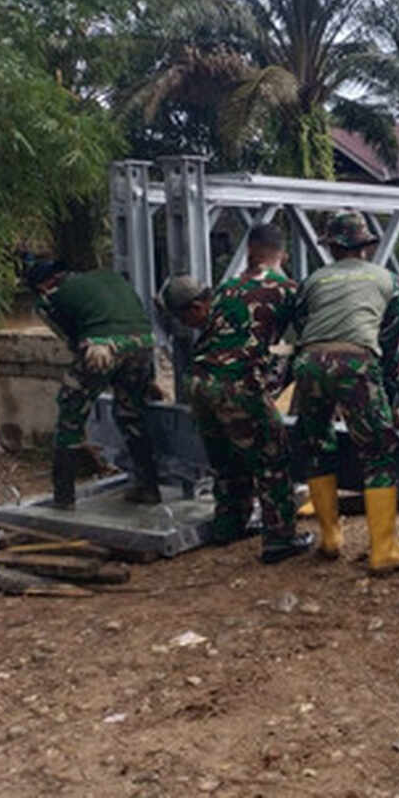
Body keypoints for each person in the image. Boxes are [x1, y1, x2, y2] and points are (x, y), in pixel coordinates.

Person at [159, 224, 314, 564]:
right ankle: (279, 539)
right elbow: (307, 337)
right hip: (238, 383)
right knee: (272, 458)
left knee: (226, 459)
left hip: (199, 381)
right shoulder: (288, 289)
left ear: (248, 255)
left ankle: (228, 525)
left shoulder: (224, 289)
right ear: (282, 256)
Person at [294, 212, 399, 574]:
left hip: (309, 363)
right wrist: (391, 402)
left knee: (317, 443)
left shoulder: (313, 280)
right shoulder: (389, 281)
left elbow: (301, 325)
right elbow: (388, 346)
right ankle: (384, 549)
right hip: (355, 361)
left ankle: (331, 539)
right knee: (378, 452)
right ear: (366, 246)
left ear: (332, 247)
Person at [26, 259, 162, 508]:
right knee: (132, 416)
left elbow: (71, 337)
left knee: (69, 416)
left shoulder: (51, 298)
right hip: (143, 344)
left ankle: (64, 498)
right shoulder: (110, 278)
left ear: (45, 284)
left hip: (101, 348)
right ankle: (149, 488)